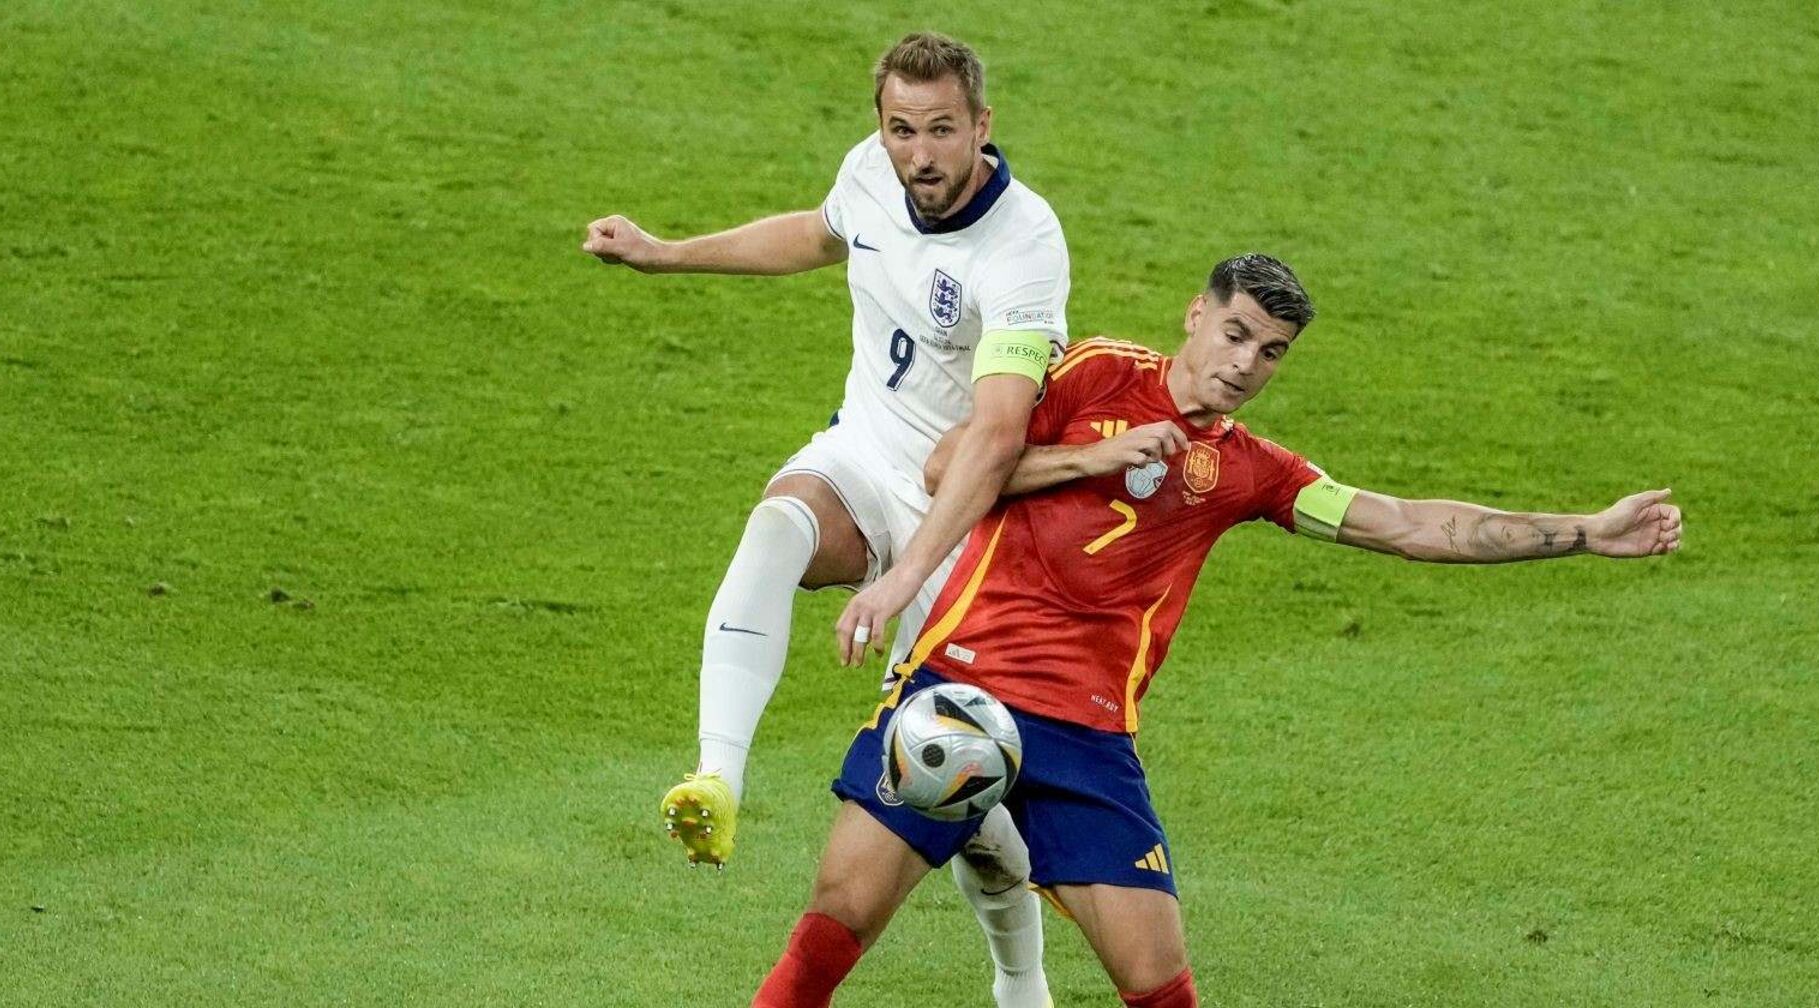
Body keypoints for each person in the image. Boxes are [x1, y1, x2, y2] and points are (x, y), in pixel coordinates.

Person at [750, 254, 1684, 1008]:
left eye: (1271, 351)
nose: (1246, 362)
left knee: (1158, 983)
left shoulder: (1251, 471)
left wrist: (1585, 533)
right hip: (960, 693)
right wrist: (1097, 454)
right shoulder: (1093, 371)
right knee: (837, 921)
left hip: (1087, 738)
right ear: (1197, 315)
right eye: (1237, 333)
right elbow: (951, 464)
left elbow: (1403, 522)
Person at [581, 32, 1066, 1008]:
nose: (918, 155)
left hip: (962, 523)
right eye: (900, 130)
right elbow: (816, 234)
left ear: (982, 126)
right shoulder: (870, 172)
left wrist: (900, 575)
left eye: (939, 130)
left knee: (957, 780)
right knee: (776, 525)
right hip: (863, 454)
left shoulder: (1023, 244)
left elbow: (997, 437)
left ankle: (1022, 981)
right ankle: (717, 780)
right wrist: (665, 255)